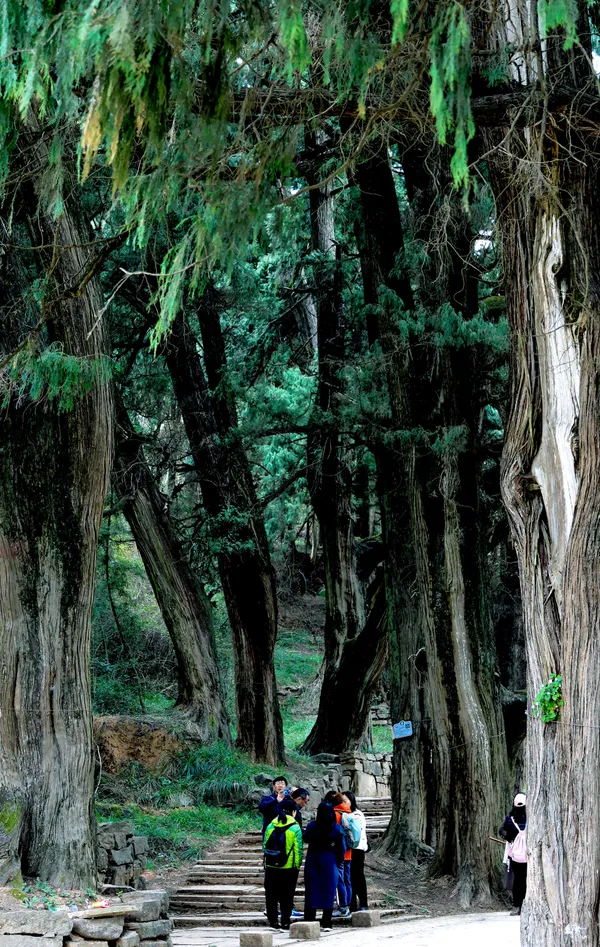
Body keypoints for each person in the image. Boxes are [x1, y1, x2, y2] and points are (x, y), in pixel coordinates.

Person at [303, 802, 346, 931]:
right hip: (329, 860)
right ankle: (327, 922)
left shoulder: (312, 826)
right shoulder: (336, 828)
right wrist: (338, 860)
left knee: (312, 889)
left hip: (313, 860)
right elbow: (342, 849)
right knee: (328, 890)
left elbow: (305, 838)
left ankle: (310, 920)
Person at [263, 796, 304, 931]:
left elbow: (265, 846)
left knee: (271, 895)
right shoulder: (295, 827)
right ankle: (285, 921)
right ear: (293, 812)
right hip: (288, 868)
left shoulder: (270, 825)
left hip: (271, 866)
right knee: (287, 895)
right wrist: (297, 865)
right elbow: (298, 849)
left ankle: (273, 921)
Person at [499, 791, 527, 916]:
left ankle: (517, 906)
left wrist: (510, 838)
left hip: (515, 856)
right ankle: (526, 905)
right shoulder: (532, 816)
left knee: (518, 880)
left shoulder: (510, 818)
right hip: (530, 855)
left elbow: (502, 831)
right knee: (527, 880)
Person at [327, 791, 353, 917]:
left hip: (338, 852)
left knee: (339, 880)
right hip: (348, 851)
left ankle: (342, 907)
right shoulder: (348, 812)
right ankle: (347, 904)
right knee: (346, 880)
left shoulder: (335, 814)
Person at [343, 790, 369, 912]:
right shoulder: (342, 813)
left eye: (345, 801)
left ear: (351, 801)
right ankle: (351, 903)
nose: (343, 803)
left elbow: (356, 831)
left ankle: (363, 903)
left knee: (358, 876)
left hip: (357, 849)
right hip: (346, 849)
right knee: (348, 877)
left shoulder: (357, 814)